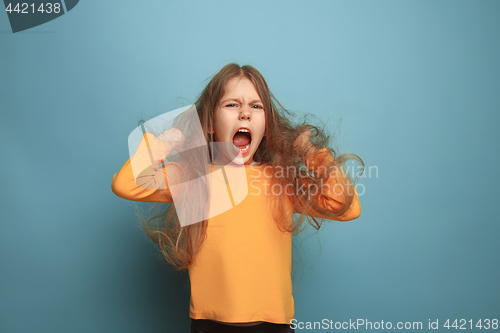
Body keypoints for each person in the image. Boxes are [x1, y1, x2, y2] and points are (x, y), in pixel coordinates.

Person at [111, 63, 363, 333]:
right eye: (232, 105)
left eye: (256, 107)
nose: (245, 113)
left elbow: (345, 206)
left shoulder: (281, 179)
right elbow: (126, 183)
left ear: (267, 126)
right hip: (209, 324)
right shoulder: (191, 177)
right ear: (209, 123)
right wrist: (169, 139)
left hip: (273, 325)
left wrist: (310, 152)